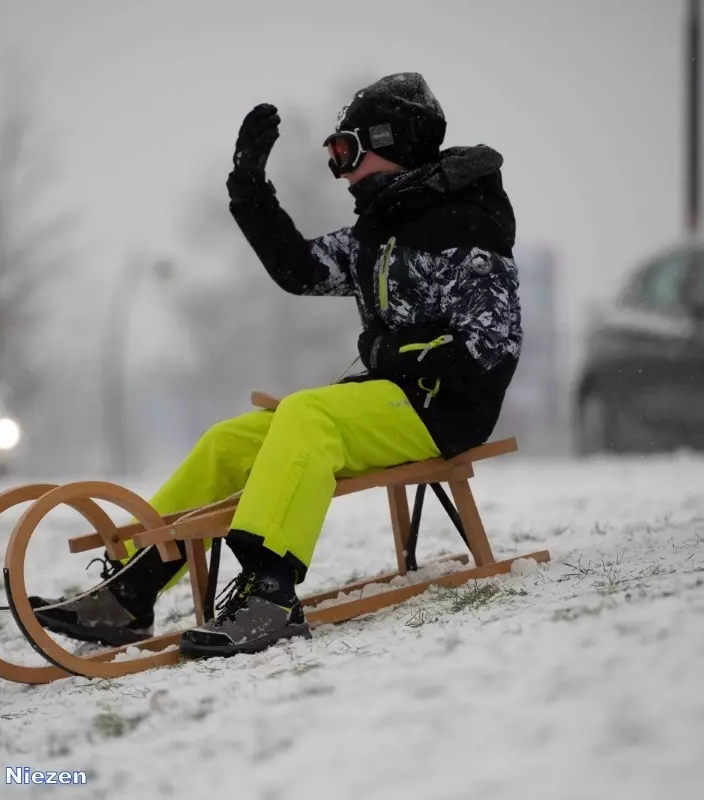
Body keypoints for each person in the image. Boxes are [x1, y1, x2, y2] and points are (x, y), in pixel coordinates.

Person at [34, 72, 521, 659]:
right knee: (229, 443)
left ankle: (270, 596)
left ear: (391, 145)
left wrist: (392, 353)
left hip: (446, 409)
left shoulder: (465, 227)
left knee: (309, 415)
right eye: (333, 154)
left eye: (346, 152)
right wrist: (249, 189)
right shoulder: (380, 232)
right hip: (389, 400)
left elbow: (491, 344)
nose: (340, 171)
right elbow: (300, 269)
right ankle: (130, 592)